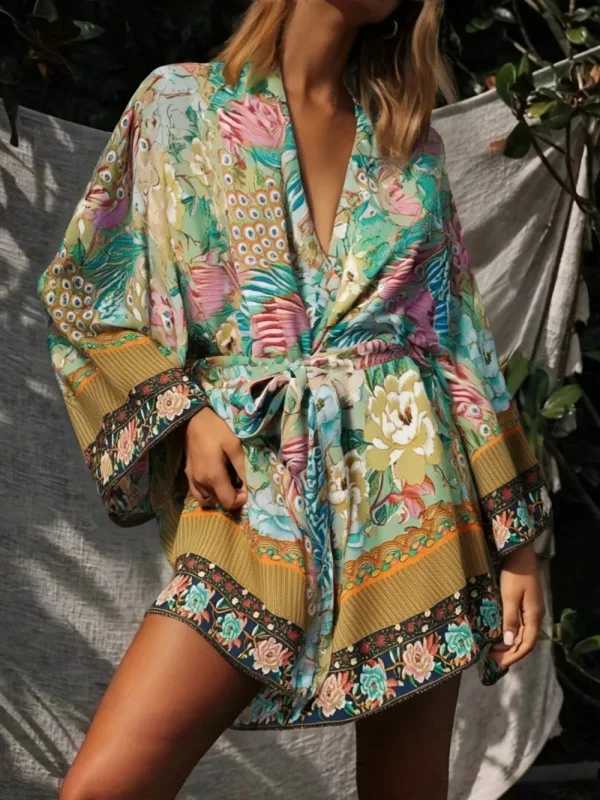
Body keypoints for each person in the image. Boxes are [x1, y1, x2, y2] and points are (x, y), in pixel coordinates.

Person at [37, 0, 553, 798]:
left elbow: (458, 345)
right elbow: (84, 294)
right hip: (258, 498)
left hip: (413, 500)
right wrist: (185, 412)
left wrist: (515, 545)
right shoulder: (179, 105)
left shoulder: (408, 145)